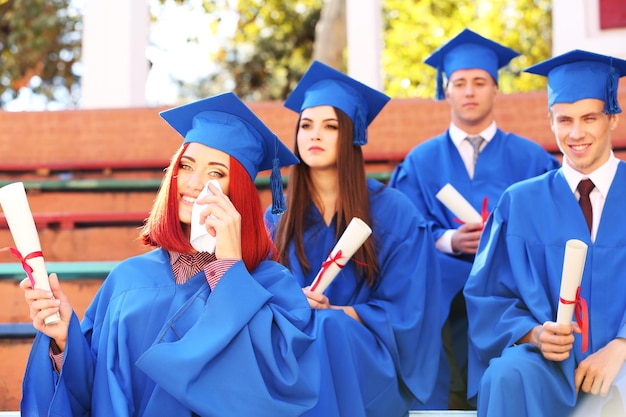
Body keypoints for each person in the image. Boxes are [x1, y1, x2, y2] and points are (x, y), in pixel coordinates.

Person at [19, 92, 322, 417]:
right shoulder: (128, 278)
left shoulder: (273, 285)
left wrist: (229, 269)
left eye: (216, 173)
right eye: (186, 166)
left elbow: (274, 387)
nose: (192, 183)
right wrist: (65, 342)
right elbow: (96, 392)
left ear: (241, 194)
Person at [388, 28, 561, 409]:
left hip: (512, 273)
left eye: (480, 82)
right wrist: (451, 240)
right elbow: (404, 228)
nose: (469, 91)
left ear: (495, 89)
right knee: (423, 283)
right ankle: (439, 402)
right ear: (446, 89)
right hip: (441, 271)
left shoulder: (530, 158)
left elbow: (549, 224)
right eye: (460, 82)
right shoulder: (420, 160)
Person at [264, 60, 441, 416]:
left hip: (367, 360)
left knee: (329, 327)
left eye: (330, 126)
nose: (314, 135)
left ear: (351, 135)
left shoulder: (394, 212)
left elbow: (408, 311)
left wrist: (338, 312)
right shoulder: (277, 218)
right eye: (306, 125)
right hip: (292, 354)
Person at [464, 50, 626, 417]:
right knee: (508, 373)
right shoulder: (520, 203)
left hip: (624, 362)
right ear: (550, 119)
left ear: (612, 118)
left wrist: (621, 345)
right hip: (552, 367)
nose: (576, 133)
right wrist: (534, 335)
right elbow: (490, 298)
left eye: (590, 117)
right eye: (564, 119)